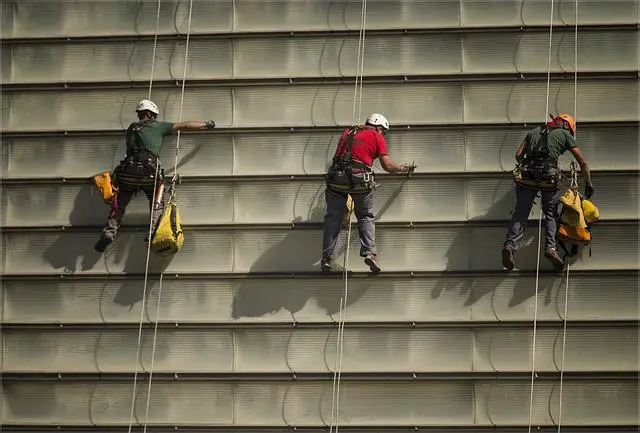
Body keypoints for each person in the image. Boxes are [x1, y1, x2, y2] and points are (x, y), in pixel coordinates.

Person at [94, 99, 216, 253]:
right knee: (156, 205)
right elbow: (185, 125)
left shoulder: (131, 128)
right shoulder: (158, 126)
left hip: (127, 173)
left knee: (118, 205)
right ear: (151, 114)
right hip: (148, 173)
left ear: (140, 114)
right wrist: (206, 124)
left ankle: (109, 233)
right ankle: (153, 234)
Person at [321, 113, 416, 274]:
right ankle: (370, 254)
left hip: (336, 179)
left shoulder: (347, 132)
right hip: (359, 180)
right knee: (364, 216)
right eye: (383, 132)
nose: (383, 135)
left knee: (333, 218)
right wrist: (404, 168)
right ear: (379, 127)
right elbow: (387, 165)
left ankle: (327, 259)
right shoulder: (376, 136)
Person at [502, 113, 593, 271]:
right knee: (550, 213)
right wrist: (588, 183)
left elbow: (518, 155)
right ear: (567, 126)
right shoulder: (564, 134)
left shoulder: (534, 131)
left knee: (521, 213)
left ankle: (510, 246)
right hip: (548, 177)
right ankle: (551, 248)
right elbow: (582, 162)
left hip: (527, 175)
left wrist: (530, 167)